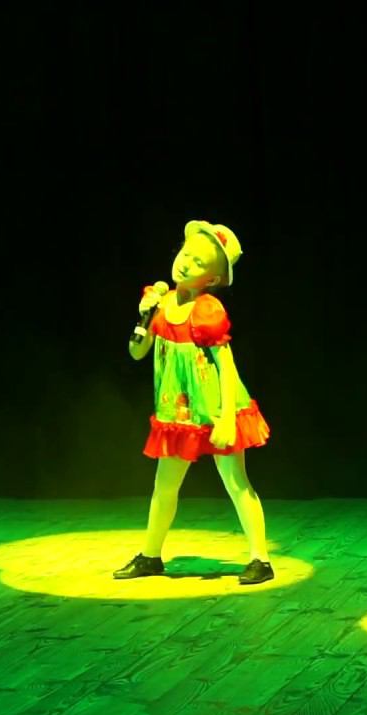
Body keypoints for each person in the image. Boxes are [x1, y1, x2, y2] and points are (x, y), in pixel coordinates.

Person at [114, 220, 274, 585]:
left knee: (236, 482)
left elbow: (226, 365)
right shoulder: (161, 304)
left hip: (215, 407)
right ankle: (150, 555)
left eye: (199, 262)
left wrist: (227, 418)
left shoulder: (207, 310)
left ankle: (260, 559)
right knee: (164, 485)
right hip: (178, 411)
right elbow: (137, 353)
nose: (186, 263)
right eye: (187, 254)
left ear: (213, 279)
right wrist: (143, 318)